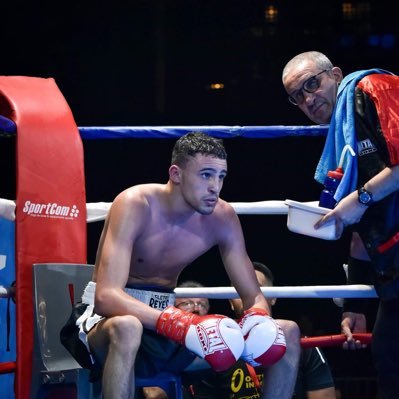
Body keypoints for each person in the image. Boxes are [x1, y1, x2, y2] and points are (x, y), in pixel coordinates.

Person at [60, 132, 299, 399]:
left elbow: (253, 296)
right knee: (128, 326)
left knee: (286, 331)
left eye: (221, 177)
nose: (215, 187)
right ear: (176, 174)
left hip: (165, 328)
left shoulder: (222, 216)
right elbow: (106, 297)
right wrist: (181, 324)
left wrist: (258, 319)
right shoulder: (136, 203)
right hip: (106, 323)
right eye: (206, 175)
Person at [282, 51, 399, 399]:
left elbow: (364, 204)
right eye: (296, 96)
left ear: (335, 74)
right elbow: (363, 232)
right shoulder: (342, 141)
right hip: (390, 266)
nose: (307, 99)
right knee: (388, 358)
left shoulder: (375, 86)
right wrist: (354, 305)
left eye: (312, 84)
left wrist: (360, 197)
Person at [181, 263, 336, 399]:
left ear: (273, 297)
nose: (248, 294)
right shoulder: (216, 346)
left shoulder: (304, 347)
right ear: (230, 302)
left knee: (287, 329)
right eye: (239, 290)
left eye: (257, 288)